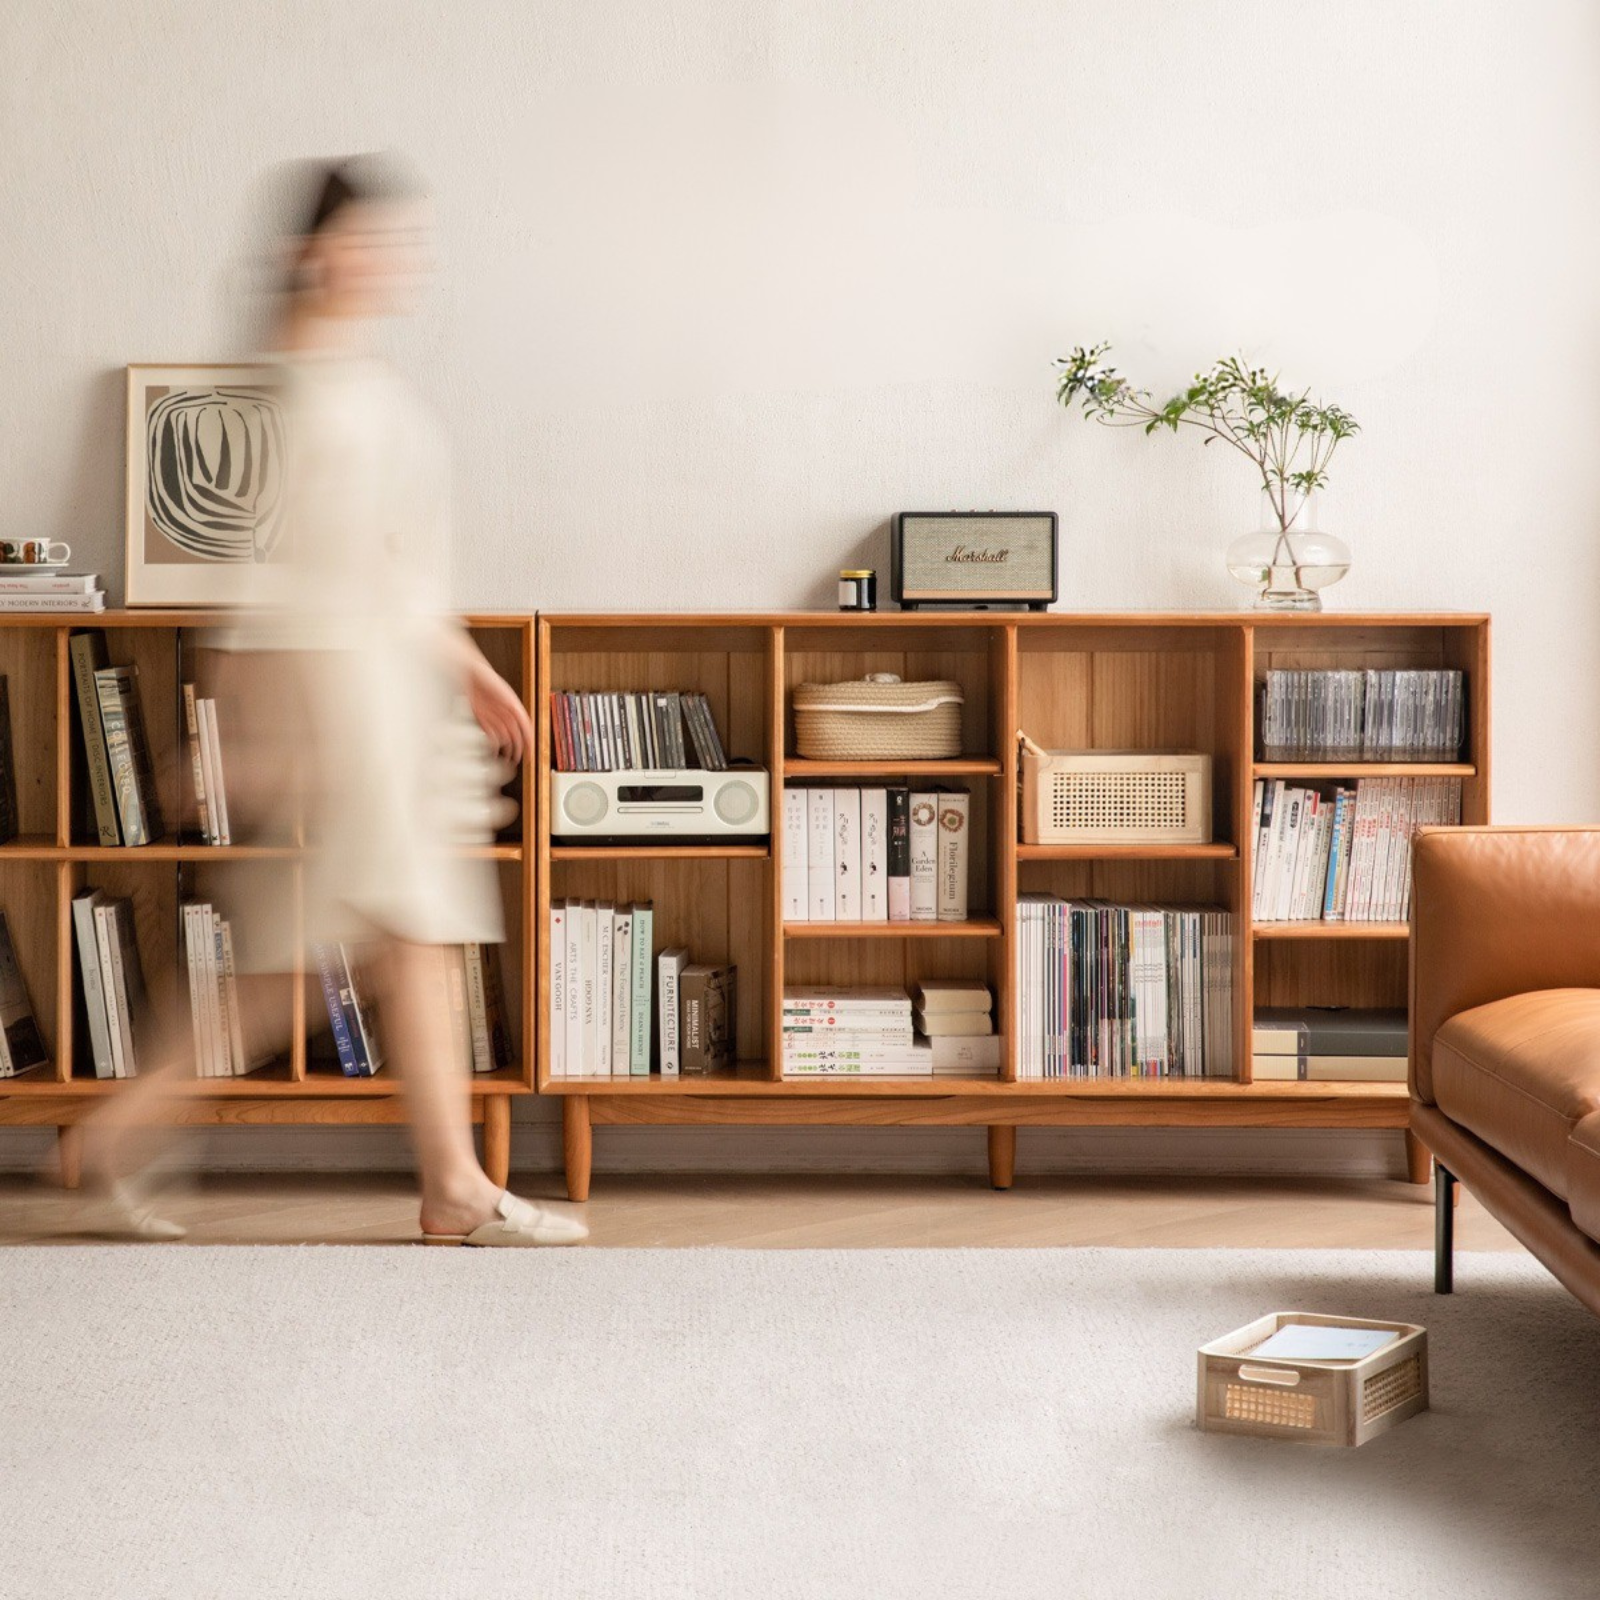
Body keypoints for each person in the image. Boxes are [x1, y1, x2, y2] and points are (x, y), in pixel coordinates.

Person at [78, 156, 585, 1247]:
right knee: (382, 940)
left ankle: (128, 1132)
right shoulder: (294, 391)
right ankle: (449, 1188)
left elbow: (398, 565)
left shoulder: (360, 381)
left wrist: (469, 668)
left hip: (388, 696)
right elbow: (271, 581)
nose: (398, 259)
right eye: (375, 239)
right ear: (316, 254)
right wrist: (240, 730)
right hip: (343, 701)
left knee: (364, 946)